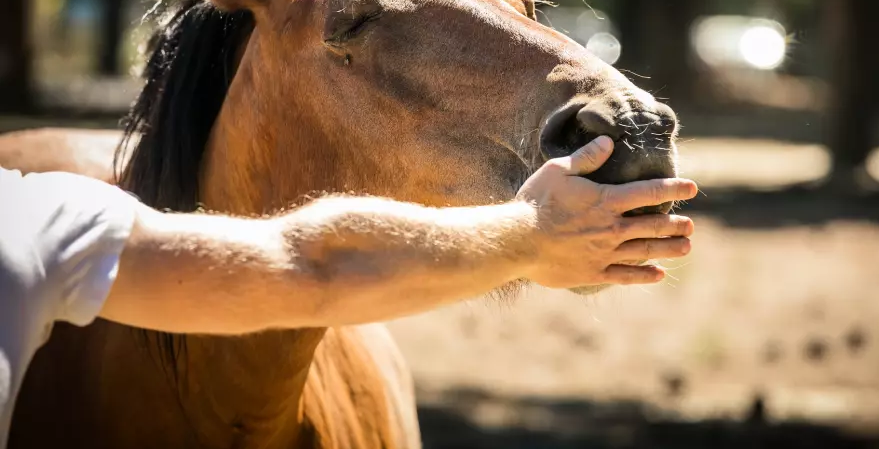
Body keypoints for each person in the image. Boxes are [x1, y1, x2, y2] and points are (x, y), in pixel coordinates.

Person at [0, 135, 697, 443]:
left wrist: (527, 233)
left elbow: (308, 265)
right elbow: (311, 268)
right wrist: (530, 235)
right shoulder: (27, 220)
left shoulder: (31, 221)